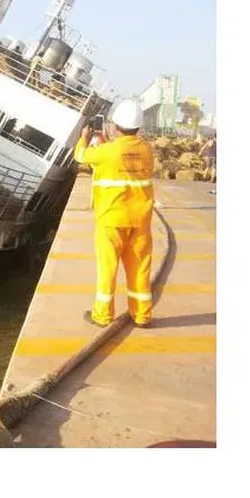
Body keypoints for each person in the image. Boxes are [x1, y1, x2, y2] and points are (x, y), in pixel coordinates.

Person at [74, 99, 156, 328]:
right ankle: (142, 315)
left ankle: (102, 315)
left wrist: (84, 138)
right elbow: (127, 160)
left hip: (112, 220)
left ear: (114, 125)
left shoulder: (106, 152)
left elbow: (81, 156)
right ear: (139, 126)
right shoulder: (147, 150)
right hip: (140, 220)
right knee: (140, 268)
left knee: (107, 269)